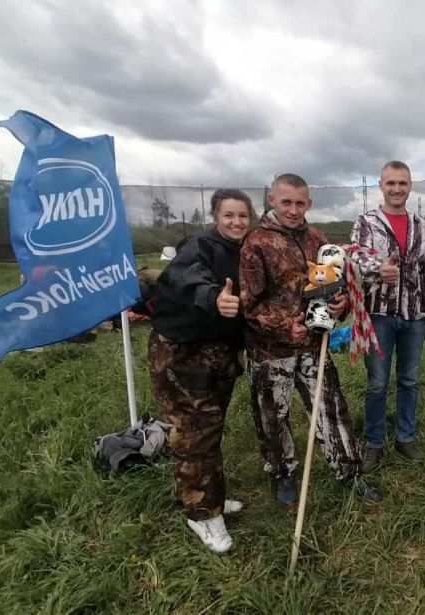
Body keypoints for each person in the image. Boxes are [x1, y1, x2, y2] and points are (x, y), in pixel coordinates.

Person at [239, 173, 381, 505]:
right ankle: (282, 473)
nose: (293, 210)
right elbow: (249, 304)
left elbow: (332, 285)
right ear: (272, 200)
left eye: (299, 203)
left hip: (313, 345)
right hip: (270, 350)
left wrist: (339, 303)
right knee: (273, 415)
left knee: (331, 407)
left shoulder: (317, 239)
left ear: (309, 204)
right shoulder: (256, 243)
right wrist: (283, 327)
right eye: (286, 202)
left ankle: (348, 470)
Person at [148, 188, 254, 554]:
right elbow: (185, 278)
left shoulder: (247, 251)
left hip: (220, 354)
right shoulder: (198, 247)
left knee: (210, 429)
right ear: (215, 217)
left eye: (242, 215)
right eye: (229, 215)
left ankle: (210, 495)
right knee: (192, 434)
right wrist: (214, 298)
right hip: (183, 353)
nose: (236, 221)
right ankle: (201, 514)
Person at [350, 161, 425, 472]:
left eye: (402, 183)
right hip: (379, 316)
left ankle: (405, 436)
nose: (397, 189)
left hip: (415, 317)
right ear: (381, 185)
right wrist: (379, 269)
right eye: (391, 183)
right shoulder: (366, 223)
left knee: (409, 380)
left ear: (410, 186)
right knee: (377, 382)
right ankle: (373, 441)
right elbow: (354, 259)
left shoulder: (422, 226)